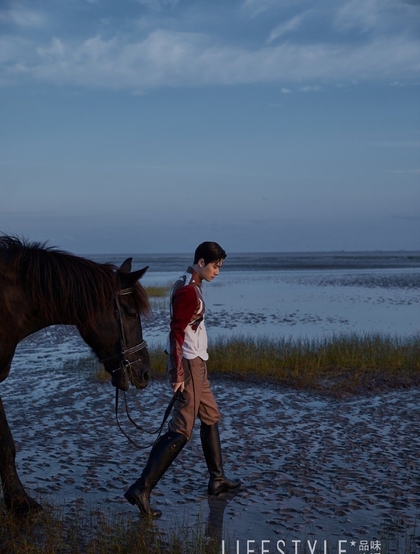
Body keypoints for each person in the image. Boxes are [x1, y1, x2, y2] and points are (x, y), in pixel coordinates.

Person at [124, 241, 241, 517]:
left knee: (211, 416)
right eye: (215, 266)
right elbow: (176, 333)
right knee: (181, 430)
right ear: (201, 262)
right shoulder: (188, 290)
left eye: (220, 267)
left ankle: (217, 479)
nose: (217, 272)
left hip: (198, 362)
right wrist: (177, 374)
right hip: (187, 365)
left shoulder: (189, 283)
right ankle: (142, 488)